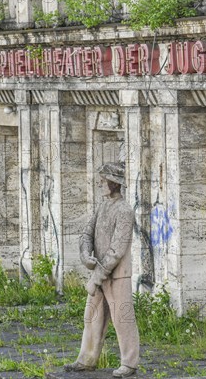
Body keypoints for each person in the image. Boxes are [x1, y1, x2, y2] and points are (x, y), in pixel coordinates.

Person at [64, 162, 140, 378]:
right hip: (99, 272)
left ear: (114, 183)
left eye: (103, 180)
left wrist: (96, 277)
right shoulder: (103, 206)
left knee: (122, 318)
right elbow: (87, 233)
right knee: (92, 316)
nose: (100, 184)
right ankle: (87, 359)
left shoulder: (124, 211)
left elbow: (117, 250)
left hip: (117, 275)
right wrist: (86, 256)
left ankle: (129, 362)